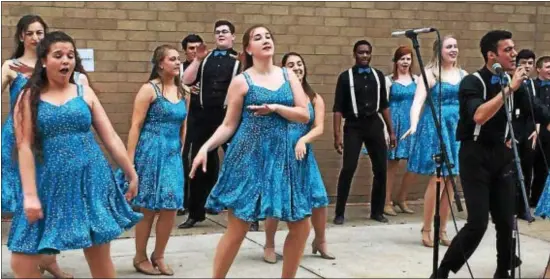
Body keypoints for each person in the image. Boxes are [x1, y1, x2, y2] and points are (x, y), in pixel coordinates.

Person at [8, 31, 142, 279]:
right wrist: (29, 195)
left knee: (100, 258)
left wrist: (130, 171)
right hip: (48, 183)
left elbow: (110, 136)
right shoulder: (28, 97)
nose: (66, 61)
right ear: (44, 61)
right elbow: (24, 146)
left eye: (70, 55)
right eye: (58, 55)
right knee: (22, 261)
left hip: (91, 179)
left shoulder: (84, 92)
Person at [190, 24, 311, 278]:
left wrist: (277, 107)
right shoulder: (241, 81)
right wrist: (205, 147)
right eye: (258, 37)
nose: (266, 40)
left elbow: (304, 114)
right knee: (238, 228)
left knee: (301, 225)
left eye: (268, 36)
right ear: (248, 48)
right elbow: (228, 125)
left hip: (281, 156)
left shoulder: (288, 76)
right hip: (248, 155)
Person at [433, 30, 550, 279]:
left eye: (514, 48)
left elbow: (537, 113)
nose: (514, 53)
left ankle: (503, 271)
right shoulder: (473, 82)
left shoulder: (519, 85)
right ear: (491, 55)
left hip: (503, 155)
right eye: (508, 49)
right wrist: (508, 89)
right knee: (478, 222)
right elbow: (479, 116)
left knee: (507, 220)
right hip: (475, 155)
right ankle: (443, 271)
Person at [0, 15, 85, 279]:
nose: (36, 38)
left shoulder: (53, 62)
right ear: (21, 37)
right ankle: (26, 258)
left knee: (50, 199)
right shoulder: (11, 66)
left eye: (40, 33)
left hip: (50, 142)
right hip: (19, 140)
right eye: (30, 33)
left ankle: (48, 259)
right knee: (25, 200)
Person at [122, 45, 189, 275]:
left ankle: (158, 254)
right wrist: (129, 161)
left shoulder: (183, 92)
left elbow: (184, 126)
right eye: (172, 59)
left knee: (170, 206)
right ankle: (139, 256)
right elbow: (135, 126)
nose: (178, 62)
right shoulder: (149, 90)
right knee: (148, 207)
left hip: (172, 154)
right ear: (160, 64)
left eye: (178, 59)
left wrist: (181, 150)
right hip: (150, 152)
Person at [262, 52, 333, 264]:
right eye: (291, 65)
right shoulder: (279, 95)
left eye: (299, 64)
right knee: (276, 200)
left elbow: (319, 127)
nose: (297, 67)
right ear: (284, 70)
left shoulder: (314, 97)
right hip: (279, 154)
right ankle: (269, 245)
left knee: (318, 199)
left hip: (303, 156)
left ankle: (320, 241)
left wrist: (303, 140)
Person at [402, 35, 467, 247]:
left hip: (456, 128)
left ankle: (443, 229)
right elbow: (417, 103)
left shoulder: (463, 75)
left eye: (456, 46)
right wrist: (412, 125)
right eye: (449, 46)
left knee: (452, 179)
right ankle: (427, 227)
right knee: (438, 179)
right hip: (436, 127)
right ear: (439, 50)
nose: (453, 50)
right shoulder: (430, 74)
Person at [180, 20, 241, 229]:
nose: (221, 35)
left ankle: (247, 214)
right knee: (198, 164)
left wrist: (246, 63)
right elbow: (186, 81)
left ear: (233, 36)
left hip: (230, 119)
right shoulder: (203, 58)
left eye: (225, 32)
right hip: (203, 119)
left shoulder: (239, 60)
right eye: (217, 32)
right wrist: (197, 59)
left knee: (240, 164)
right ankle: (195, 213)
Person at [332, 40, 396, 225]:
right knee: (349, 168)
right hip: (353, 125)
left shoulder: (378, 76)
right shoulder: (346, 78)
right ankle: (340, 212)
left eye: (367, 52)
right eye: (361, 52)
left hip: (374, 124)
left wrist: (391, 131)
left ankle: (377, 211)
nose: (365, 56)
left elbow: (384, 105)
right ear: (355, 54)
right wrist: (337, 135)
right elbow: (337, 108)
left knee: (380, 169)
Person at [382, 46, 418, 216]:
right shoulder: (389, 81)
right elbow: (384, 106)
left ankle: (402, 198)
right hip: (394, 124)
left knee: (413, 163)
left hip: (411, 124)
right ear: (396, 61)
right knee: (392, 164)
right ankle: (386, 201)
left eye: (408, 59)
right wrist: (388, 130)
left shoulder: (417, 80)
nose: (405, 62)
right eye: (402, 58)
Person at [178, 33, 204, 217]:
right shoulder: (179, 68)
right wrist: (187, 90)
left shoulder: (208, 67)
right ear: (185, 51)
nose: (194, 52)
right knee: (183, 157)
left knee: (204, 159)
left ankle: (202, 202)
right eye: (191, 48)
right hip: (186, 117)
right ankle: (182, 201)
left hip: (205, 117)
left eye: (197, 48)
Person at [514, 49, 537, 220]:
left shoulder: (533, 84)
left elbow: (536, 109)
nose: (527, 66)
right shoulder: (513, 82)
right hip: (515, 130)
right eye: (523, 62)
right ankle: (508, 206)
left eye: (530, 63)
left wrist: (536, 127)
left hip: (530, 131)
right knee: (512, 171)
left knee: (527, 170)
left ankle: (524, 207)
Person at [532, 56, 550, 208]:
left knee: (544, 167)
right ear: (538, 69)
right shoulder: (531, 85)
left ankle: (539, 200)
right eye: (547, 67)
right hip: (534, 129)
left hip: (549, 131)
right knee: (532, 162)